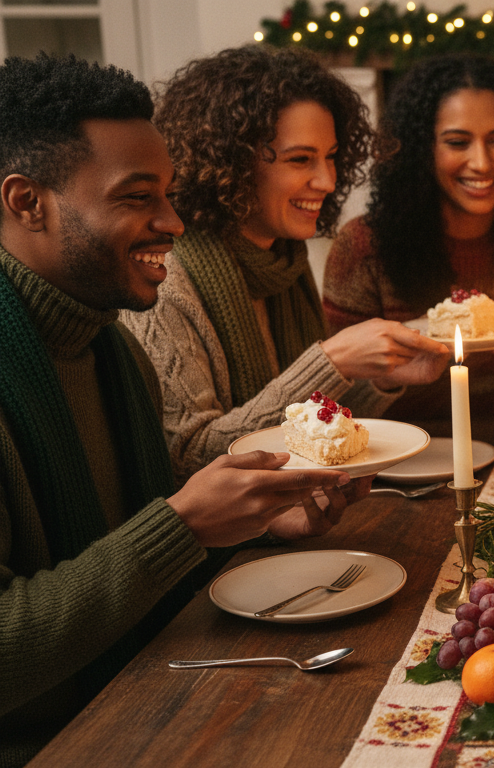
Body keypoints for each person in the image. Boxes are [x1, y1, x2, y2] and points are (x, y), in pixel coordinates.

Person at [0, 54, 363, 763]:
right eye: (139, 197)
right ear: (26, 202)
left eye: (167, 193)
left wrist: (256, 524)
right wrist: (184, 526)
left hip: (149, 690)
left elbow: (139, 540)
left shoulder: (112, 349)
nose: (172, 220)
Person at [123, 46, 449, 483]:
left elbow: (309, 431)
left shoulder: (283, 261)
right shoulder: (166, 279)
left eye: (332, 156)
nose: (328, 181)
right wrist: (330, 360)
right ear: (230, 163)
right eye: (301, 159)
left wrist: (381, 379)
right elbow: (190, 458)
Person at [322, 54, 494, 426]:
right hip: (413, 465)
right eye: (458, 142)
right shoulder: (363, 247)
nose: (482, 163)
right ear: (421, 148)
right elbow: (336, 411)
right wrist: (385, 381)